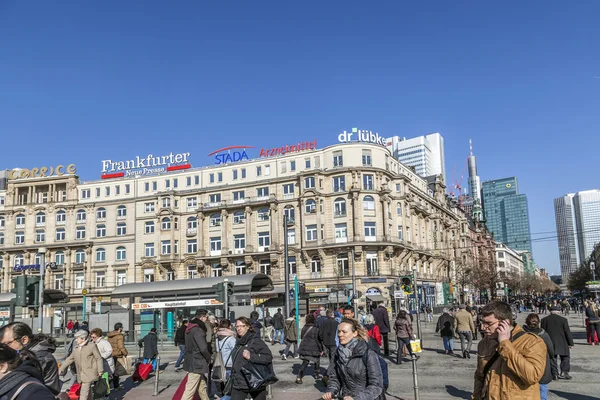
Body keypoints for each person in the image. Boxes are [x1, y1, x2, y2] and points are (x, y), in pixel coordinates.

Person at [473, 301, 546, 400]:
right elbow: (479, 377)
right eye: (482, 322)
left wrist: (505, 344)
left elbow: (532, 376)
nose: (483, 327)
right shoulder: (484, 343)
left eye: (488, 323)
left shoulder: (532, 342)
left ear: (505, 323)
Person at [321, 318, 384, 400]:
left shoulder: (368, 353)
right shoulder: (338, 353)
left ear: (355, 333)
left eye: (344, 332)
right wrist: (331, 391)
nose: (340, 334)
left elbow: (376, 385)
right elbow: (334, 378)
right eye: (339, 331)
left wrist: (357, 398)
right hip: (345, 397)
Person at [0, 322, 60, 395]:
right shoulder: (25, 354)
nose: (4, 349)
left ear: (24, 340)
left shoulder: (38, 358)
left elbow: (14, 381)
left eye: (6, 344)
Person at [229, 317, 274, 400]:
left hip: (255, 381)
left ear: (248, 327)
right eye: (237, 326)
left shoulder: (255, 341)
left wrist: (251, 357)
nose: (239, 328)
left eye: (242, 326)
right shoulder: (238, 342)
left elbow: (268, 357)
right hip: (239, 383)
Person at [59, 329, 104, 400]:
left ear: (83, 339)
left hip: (89, 372)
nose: (76, 340)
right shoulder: (76, 348)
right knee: (87, 391)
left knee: (83, 393)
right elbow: (69, 359)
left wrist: (100, 370)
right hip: (80, 373)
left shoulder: (92, 346)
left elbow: (98, 358)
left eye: (77, 338)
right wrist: (61, 368)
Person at [524, 313, 555, 400]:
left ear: (526, 322)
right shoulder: (544, 335)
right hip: (542, 367)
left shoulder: (522, 334)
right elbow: (551, 352)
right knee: (542, 391)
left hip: (526, 367)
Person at [182, 309, 212, 400]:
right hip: (197, 362)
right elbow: (203, 348)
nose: (206, 319)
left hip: (191, 360)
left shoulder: (189, 328)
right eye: (206, 317)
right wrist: (209, 358)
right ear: (202, 317)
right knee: (190, 389)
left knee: (201, 387)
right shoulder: (198, 330)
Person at [541, 305, 574, 380]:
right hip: (562, 341)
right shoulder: (563, 320)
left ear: (550, 311)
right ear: (558, 312)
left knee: (552, 358)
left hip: (550, 342)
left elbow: (543, 332)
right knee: (565, 357)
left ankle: (554, 374)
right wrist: (570, 343)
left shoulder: (544, 320)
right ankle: (564, 372)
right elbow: (567, 332)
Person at [296, 314, 323, 384]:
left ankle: (299, 376)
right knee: (317, 360)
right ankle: (316, 374)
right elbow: (318, 340)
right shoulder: (316, 329)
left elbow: (302, 337)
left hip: (304, 347)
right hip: (314, 348)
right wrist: (321, 349)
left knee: (305, 362)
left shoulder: (304, 328)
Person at [215, 319, 236, 397]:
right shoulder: (230, 338)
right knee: (230, 389)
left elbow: (217, 350)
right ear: (229, 327)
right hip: (230, 364)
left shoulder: (217, 337)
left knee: (224, 388)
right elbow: (235, 351)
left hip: (221, 364)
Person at [318, 310, 339, 385]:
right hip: (334, 343)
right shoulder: (336, 323)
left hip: (326, 343)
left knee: (331, 359)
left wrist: (323, 340)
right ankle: (326, 375)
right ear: (332, 315)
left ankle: (331, 374)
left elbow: (320, 334)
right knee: (333, 360)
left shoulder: (323, 323)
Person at [107, 322, 128, 390]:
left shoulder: (110, 335)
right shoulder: (119, 336)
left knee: (111, 371)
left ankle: (109, 385)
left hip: (110, 354)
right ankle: (115, 386)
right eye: (122, 327)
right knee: (116, 372)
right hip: (117, 355)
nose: (122, 329)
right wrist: (125, 353)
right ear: (119, 328)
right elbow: (121, 346)